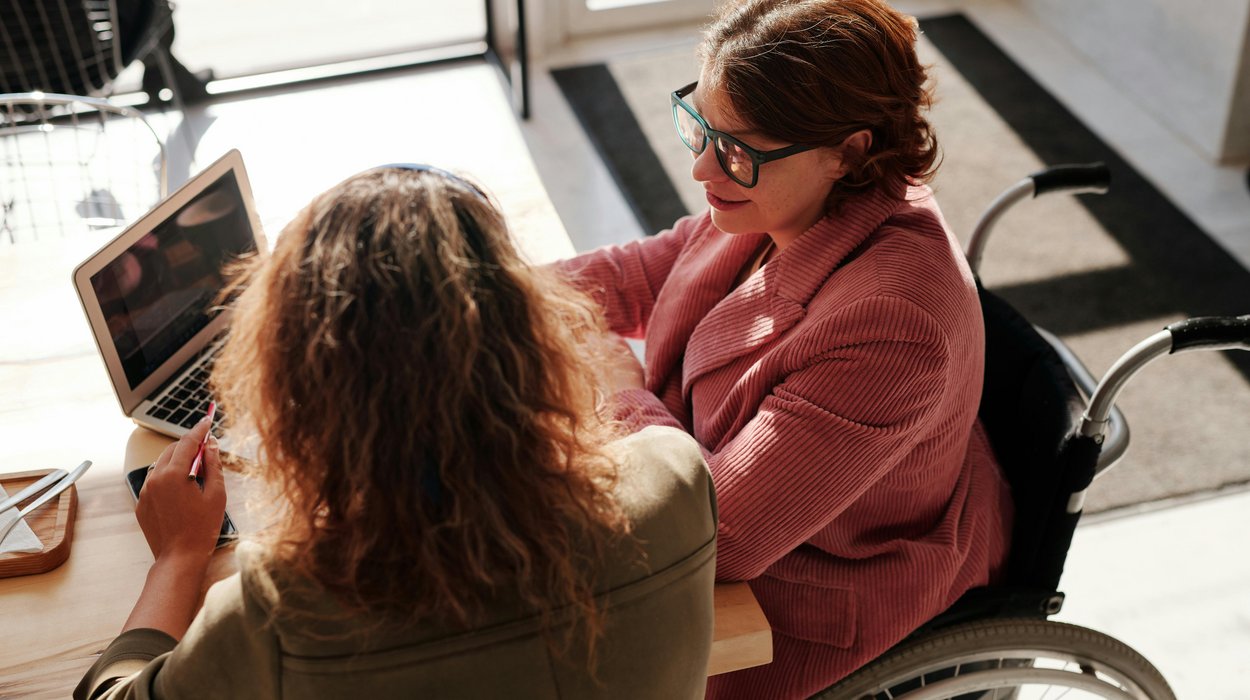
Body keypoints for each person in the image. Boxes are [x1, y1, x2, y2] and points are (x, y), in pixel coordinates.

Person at [75, 166, 718, 699]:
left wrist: (178, 558)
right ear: (533, 336)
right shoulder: (676, 479)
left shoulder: (281, 611)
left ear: (300, 392)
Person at [557, 1, 1015, 697]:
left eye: (735, 150)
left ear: (849, 152)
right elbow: (645, 272)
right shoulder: (784, 194)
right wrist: (480, 289)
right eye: (700, 127)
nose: (702, 169)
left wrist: (619, 385)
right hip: (737, 510)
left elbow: (722, 537)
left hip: (805, 598)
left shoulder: (892, 324)